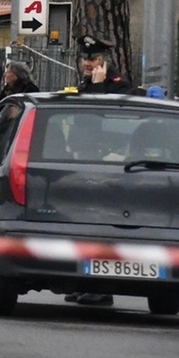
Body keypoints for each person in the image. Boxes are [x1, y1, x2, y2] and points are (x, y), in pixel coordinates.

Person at [64, 34, 139, 307]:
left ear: (104, 60)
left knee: (100, 226)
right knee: (83, 225)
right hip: (84, 161)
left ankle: (102, 288)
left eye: (93, 58)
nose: (87, 63)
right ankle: (85, 283)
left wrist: (95, 89)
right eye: (84, 58)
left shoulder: (118, 86)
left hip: (107, 164)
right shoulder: (89, 83)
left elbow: (97, 119)